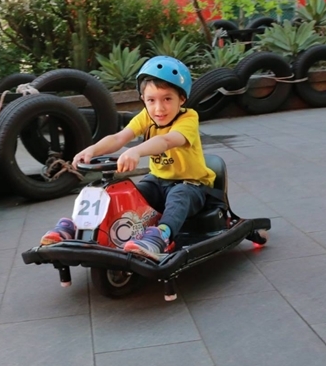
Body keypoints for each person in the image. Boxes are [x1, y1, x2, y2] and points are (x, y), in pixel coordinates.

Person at [39, 57, 217, 261]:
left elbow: (167, 140)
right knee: (127, 193)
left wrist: (136, 151)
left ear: (182, 99)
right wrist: (92, 150)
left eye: (167, 99)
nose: (159, 108)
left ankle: (161, 237)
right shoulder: (146, 116)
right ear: (143, 99)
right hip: (158, 181)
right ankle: (78, 226)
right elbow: (119, 138)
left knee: (179, 197)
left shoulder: (189, 118)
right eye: (151, 100)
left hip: (192, 184)